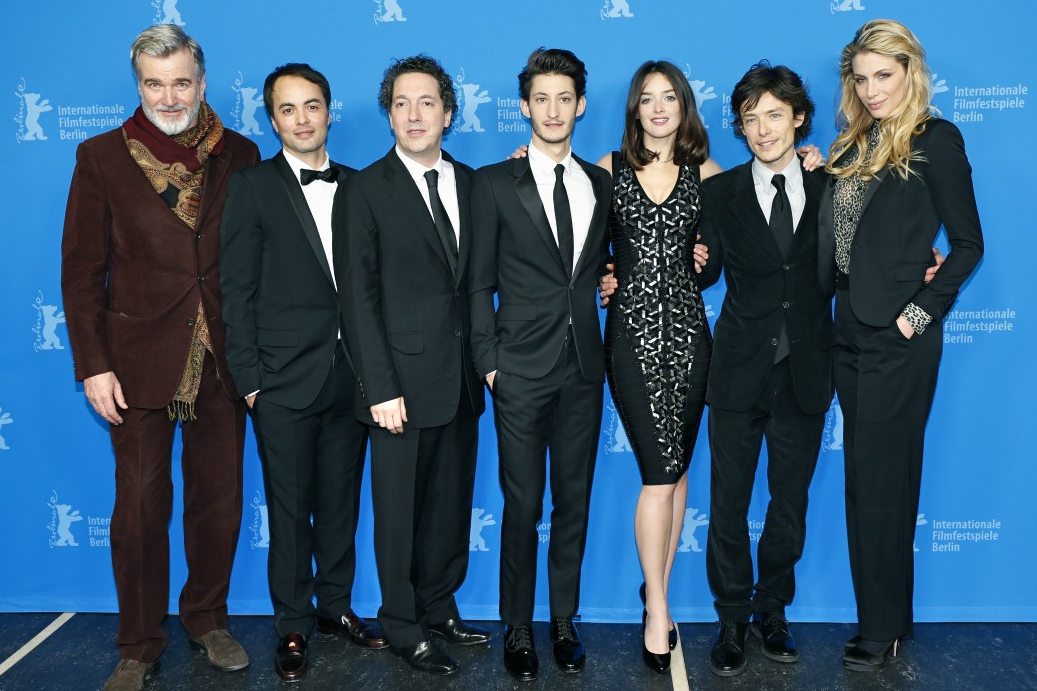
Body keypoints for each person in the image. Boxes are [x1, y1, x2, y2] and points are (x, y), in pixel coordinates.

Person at [60, 24, 259, 691]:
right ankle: (139, 641)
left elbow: (259, 261)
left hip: (224, 358)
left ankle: (206, 617)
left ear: (202, 82)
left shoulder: (242, 152)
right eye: (154, 82)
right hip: (136, 359)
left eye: (180, 82)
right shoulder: (101, 157)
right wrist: (93, 363)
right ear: (138, 84)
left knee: (219, 502)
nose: (168, 96)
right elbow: (83, 271)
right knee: (140, 506)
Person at [821, 19, 983, 671]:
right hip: (847, 332)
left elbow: (968, 244)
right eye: (860, 79)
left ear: (910, 72)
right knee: (865, 482)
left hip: (897, 337)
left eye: (882, 76)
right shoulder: (852, 142)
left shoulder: (935, 140)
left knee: (884, 482)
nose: (871, 90)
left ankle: (878, 626)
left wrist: (917, 312)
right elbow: (846, 242)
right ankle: (890, 616)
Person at [219, 63, 387, 682]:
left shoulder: (361, 185)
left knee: (341, 502)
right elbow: (234, 291)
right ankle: (292, 622)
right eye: (288, 109)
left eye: (312, 106)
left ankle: (334, 607)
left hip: (351, 376)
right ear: (273, 119)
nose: (302, 119)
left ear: (329, 111)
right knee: (290, 510)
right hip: (283, 383)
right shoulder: (252, 187)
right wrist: (252, 381)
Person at [338, 55, 488, 677]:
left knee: (449, 507)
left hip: (459, 381)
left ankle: (439, 604)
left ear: (449, 113)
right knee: (398, 514)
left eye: (426, 102)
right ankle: (402, 622)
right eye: (401, 102)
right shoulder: (365, 189)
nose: (414, 114)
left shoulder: (475, 184)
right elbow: (357, 298)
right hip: (396, 387)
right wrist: (379, 386)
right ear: (389, 113)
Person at [469, 48, 611, 682]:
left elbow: (601, 267)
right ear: (524, 107)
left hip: (584, 365)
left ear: (580, 105)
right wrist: (490, 362)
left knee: (572, 502)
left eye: (565, 98)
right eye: (541, 99)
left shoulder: (601, 183)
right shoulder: (493, 183)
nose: (553, 110)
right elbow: (475, 285)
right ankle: (518, 626)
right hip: (518, 370)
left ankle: (563, 620)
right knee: (522, 504)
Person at [697, 62, 831, 677]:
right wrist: (697, 262)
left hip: (803, 369)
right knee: (727, 503)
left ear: (798, 117)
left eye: (774, 115)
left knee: (789, 505)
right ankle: (730, 619)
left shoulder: (831, 186)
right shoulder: (718, 194)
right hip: (737, 369)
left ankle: (772, 610)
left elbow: (866, 255)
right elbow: (706, 272)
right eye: (750, 119)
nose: (762, 129)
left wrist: (924, 263)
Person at [594, 60, 719, 675]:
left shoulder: (709, 174)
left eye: (670, 97)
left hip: (692, 338)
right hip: (632, 338)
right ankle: (658, 610)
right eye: (648, 98)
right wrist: (600, 274)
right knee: (657, 468)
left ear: (684, 106)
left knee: (677, 464)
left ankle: (657, 591)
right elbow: (566, 233)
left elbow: (723, 254)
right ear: (635, 109)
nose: (660, 108)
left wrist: (704, 260)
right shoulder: (608, 171)